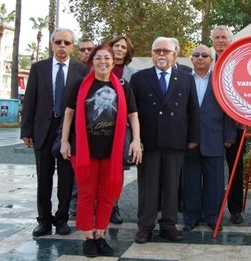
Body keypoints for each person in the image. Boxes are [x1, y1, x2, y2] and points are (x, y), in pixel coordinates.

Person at [60, 44, 142, 257]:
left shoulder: (122, 86)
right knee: (86, 194)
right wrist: (64, 141)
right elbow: (68, 114)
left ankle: (100, 235)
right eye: (98, 58)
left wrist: (136, 140)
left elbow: (133, 115)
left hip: (111, 151)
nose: (103, 61)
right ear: (91, 61)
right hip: (84, 149)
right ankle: (88, 237)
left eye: (107, 58)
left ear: (113, 62)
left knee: (108, 194)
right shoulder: (80, 85)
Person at [130, 37, 200, 244]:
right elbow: (131, 112)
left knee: (172, 185)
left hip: (175, 139)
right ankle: (145, 226)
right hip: (148, 141)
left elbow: (193, 110)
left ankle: (168, 225)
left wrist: (193, 138)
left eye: (166, 51)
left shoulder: (186, 78)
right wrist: (135, 139)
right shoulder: (139, 78)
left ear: (174, 55)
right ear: (152, 54)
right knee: (148, 186)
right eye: (157, 50)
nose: (161, 54)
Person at [21, 27, 88, 237]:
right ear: (51, 45)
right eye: (58, 42)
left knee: (67, 178)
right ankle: (44, 220)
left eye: (66, 43)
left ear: (73, 47)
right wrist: (26, 130)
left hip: (68, 132)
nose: (62, 46)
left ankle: (62, 219)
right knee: (44, 177)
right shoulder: (38, 68)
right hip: (42, 129)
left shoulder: (81, 70)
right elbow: (30, 100)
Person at [181, 45, 236, 231]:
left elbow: (229, 109)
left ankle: (213, 217)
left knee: (215, 181)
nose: (200, 58)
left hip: (215, 137)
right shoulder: (183, 80)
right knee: (190, 180)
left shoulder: (220, 80)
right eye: (196, 55)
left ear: (211, 60)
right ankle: (191, 217)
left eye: (205, 55)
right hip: (189, 139)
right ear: (191, 59)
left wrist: (229, 135)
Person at [212, 26, 245, 225]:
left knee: (235, 169)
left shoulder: (239, 62)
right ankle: (213, 209)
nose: (221, 40)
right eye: (217, 37)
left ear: (230, 40)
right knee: (212, 169)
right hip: (212, 126)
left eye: (224, 37)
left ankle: (235, 210)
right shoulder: (207, 62)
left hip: (236, 125)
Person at [107, 35, 139, 223]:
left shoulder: (133, 75)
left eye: (123, 47)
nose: (119, 49)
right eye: (116, 46)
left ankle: (113, 207)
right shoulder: (98, 68)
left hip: (121, 129)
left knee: (116, 172)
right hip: (98, 128)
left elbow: (134, 105)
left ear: (127, 52)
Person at [69, 38, 94, 219]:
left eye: (90, 50)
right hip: (75, 130)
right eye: (83, 50)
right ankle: (73, 207)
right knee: (75, 175)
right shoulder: (75, 72)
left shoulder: (100, 71)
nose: (86, 53)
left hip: (97, 132)